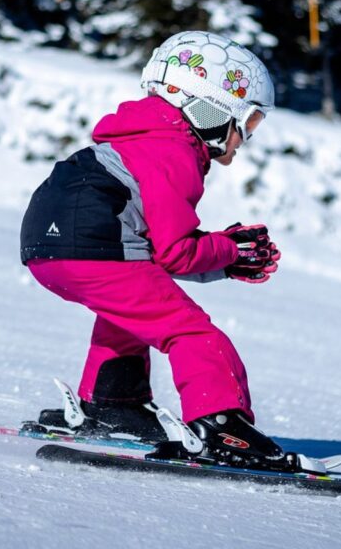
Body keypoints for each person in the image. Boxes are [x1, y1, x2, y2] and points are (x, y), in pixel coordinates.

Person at [20, 31, 286, 468]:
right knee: (192, 333)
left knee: (130, 309)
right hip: (93, 245)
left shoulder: (136, 139)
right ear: (211, 108)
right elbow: (175, 252)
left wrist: (222, 254)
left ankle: (114, 403)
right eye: (250, 123)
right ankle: (220, 427)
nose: (244, 139)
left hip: (47, 249)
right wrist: (230, 252)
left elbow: (155, 252)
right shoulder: (173, 149)